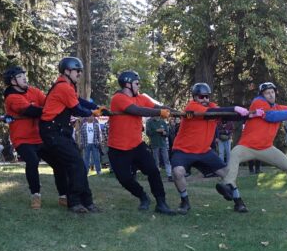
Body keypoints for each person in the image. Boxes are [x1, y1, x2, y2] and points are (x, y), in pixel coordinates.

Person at [216, 82, 287, 212]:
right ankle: (229, 186)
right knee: (234, 154)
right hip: (247, 146)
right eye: (267, 93)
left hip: (266, 148)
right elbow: (272, 117)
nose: (270, 95)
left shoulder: (278, 107)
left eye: (272, 92)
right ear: (262, 95)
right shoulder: (258, 102)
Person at [170, 83, 250, 213]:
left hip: (204, 151)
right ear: (195, 97)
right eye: (202, 97)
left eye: (207, 97)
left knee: (227, 174)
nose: (205, 100)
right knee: (177, 172)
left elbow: (224, 114)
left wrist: (246, 115)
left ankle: (238, 202)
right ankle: (184, 202)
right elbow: (213, 113)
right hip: (183, 150)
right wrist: (235, 107)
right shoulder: (192, 107)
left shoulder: (212, 106)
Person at [107, 70, 176, 214]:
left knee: (153, 171)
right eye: (137, 83)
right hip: (118, 148)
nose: (139, 86)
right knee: (125, 179)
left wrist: (177, 112)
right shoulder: (118, 98)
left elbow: (157, 107)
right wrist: (159, 113)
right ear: (127, 84)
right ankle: (143, 196)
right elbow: (137, 111)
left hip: (137, 145)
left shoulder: (141, 97)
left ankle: (161, 203)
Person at [38, 56, 100, 214]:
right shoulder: (63, 87)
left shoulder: (68, 87)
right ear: (67, 71)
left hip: (60, 132)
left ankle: (87, 202)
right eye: (77, 71)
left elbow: (79, 101)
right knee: (77, 165)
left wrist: (96, 106)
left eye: (80, 71)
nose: (79, 74)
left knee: (78, 164)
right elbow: (77, 109)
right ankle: (75, 202)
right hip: (53, 133)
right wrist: (93, 112)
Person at [2, 65, 68, 209]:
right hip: (22, 139)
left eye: (24, 75)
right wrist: (53, 111)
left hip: (39, 137)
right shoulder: (11, 98)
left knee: (59, 162)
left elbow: (49, 103)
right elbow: (31, 111)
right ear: (13, 82)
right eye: (20, 76)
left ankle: (64, 196)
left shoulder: (34, 91)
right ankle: (35, 195)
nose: (24, 78)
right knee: (32, 161)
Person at [145, 113, 173, 181]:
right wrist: (156, 131)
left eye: (158, 115)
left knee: (166, 159)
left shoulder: (162, 121)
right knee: (156, 160)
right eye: (156, 115)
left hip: (163, 144)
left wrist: (164, 133)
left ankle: (169, 176)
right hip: (154, 144)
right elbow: (148, 133)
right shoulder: (149, 122)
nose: (157, 116)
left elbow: (167, 133)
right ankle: (157, 176)